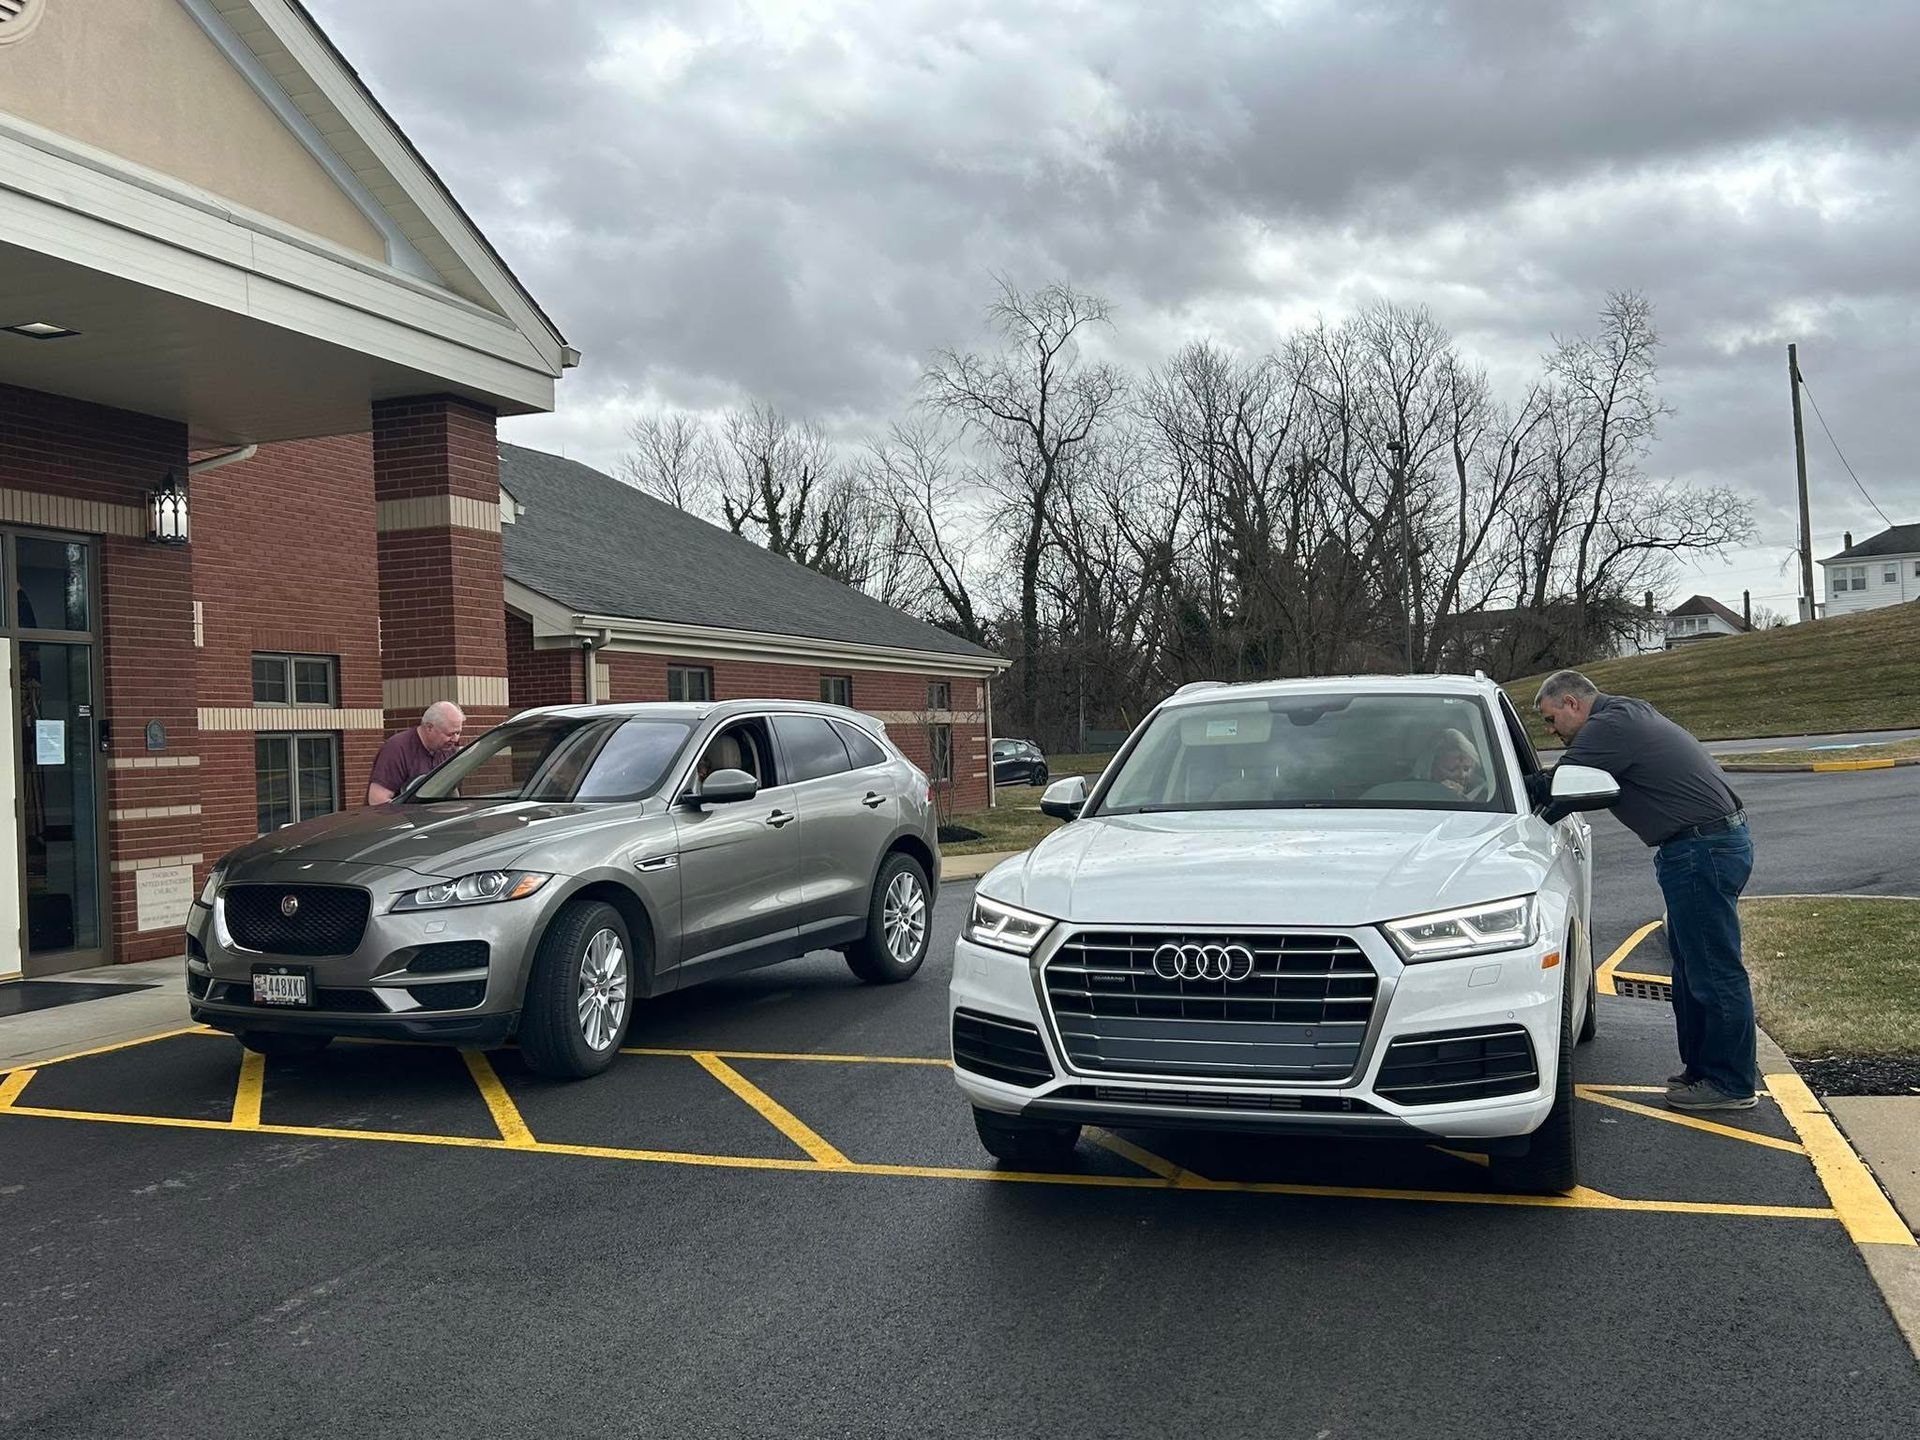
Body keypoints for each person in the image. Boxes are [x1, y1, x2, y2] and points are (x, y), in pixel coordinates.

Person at [1533, 670, 1755, 1112]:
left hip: (1700, 849)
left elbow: (1558, 787)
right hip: (1702, 845)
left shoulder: (1609, 726)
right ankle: (1702, 1072)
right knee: (1692, 968)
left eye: (1551, 718)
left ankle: (1731, 1084)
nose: (1552, 730)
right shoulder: (1624, 714)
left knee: (1713, 968)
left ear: (1573, 702)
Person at [367, 701, 465, 805]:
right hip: (403, 819)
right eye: (450, 734)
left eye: (458, 733)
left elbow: (452, 793)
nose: (455, 739)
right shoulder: (397, 749)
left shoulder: (448, 750)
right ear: (429, 728)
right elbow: (377, 800)